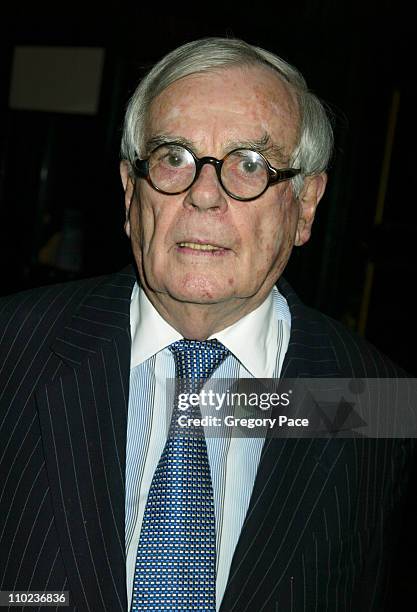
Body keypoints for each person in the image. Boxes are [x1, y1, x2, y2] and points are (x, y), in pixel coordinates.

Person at [0, 37, 414, 612]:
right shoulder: (12, 351)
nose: (202, 195)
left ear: (306, 205)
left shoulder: (376, 403)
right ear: (129, 192)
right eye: (174, 156)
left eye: (249, 164)